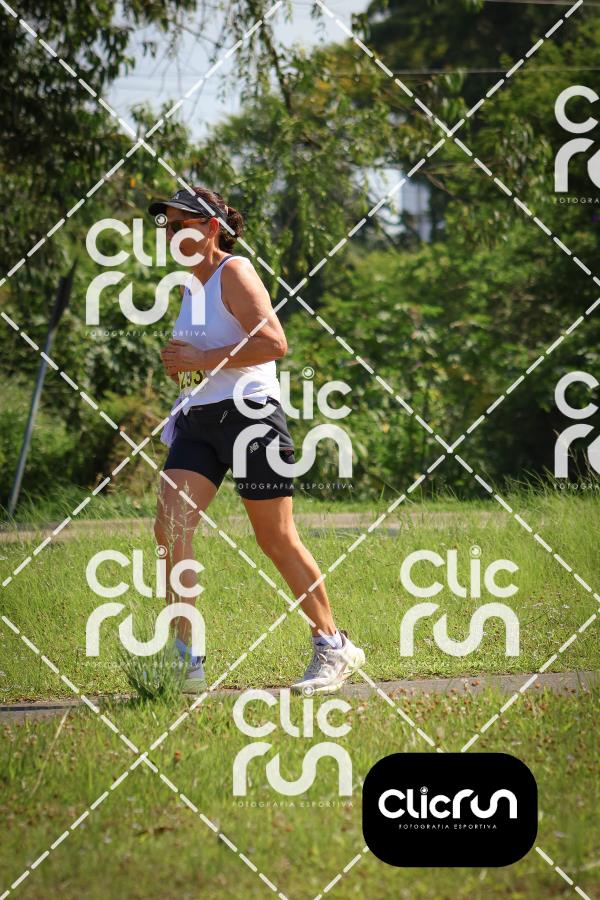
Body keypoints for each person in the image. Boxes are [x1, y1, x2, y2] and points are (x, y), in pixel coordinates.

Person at [148, 186, 365, 695]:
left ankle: (333, 645)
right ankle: (185, 659)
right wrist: (183, 368)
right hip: (200, 420)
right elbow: (208, 362)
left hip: (251, 419)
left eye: (180, 225)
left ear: (211, 228)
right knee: (170, 528)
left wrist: (201, 359)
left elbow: (273, 342)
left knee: (276, 539)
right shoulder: (190, 286)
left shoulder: (235, 271)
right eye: (166, 227)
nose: (171, 234)